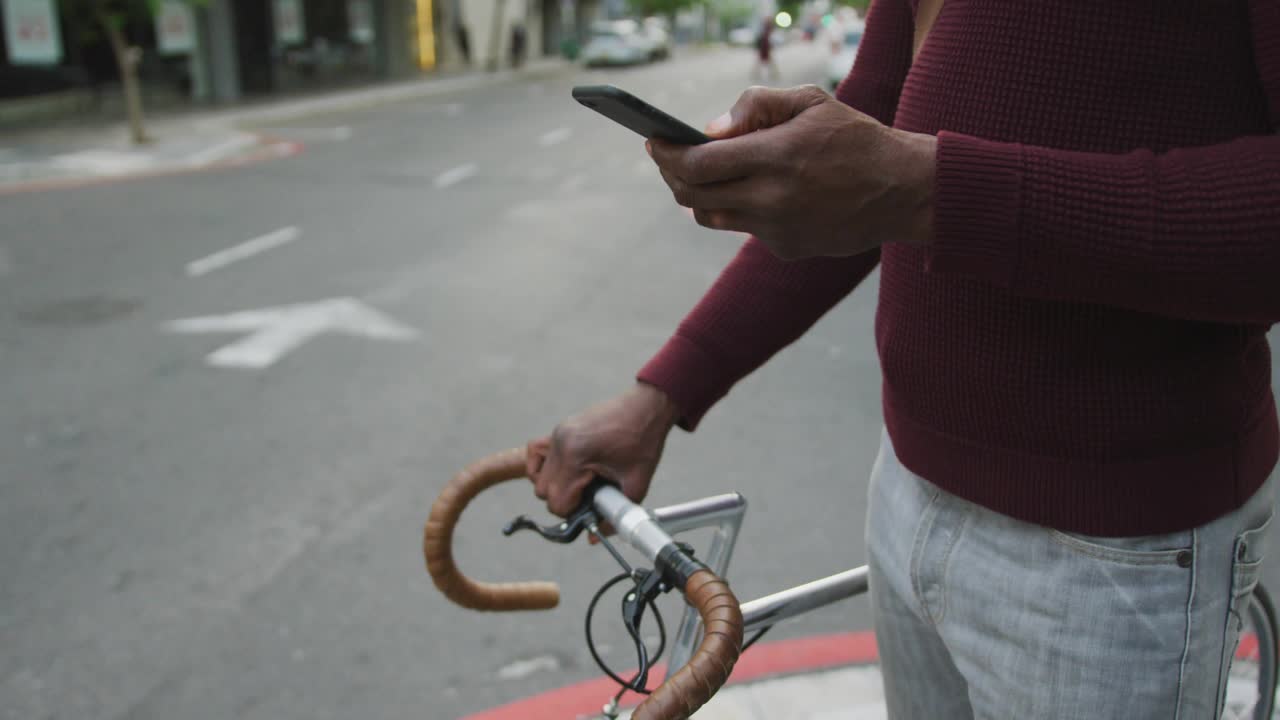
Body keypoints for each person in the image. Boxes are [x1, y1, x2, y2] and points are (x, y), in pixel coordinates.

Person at [527, 0, 1279, 717]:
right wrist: (660, 396)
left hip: (1112, 546)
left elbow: (900, 176)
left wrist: (931, 189)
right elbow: (876, 129)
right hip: (905, 493)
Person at [752, 16, 779, 83]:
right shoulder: (765, 27)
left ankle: (774, 74)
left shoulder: (768, 27)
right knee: (762, 60)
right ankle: (757, 73)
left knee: (767, 60)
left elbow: (770, 37)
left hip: (766, 46)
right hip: (764, 46)